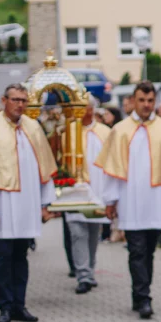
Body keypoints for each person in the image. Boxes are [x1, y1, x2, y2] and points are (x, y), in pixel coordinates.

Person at [98, 81, 161, 319]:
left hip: (155, 201)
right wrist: (110, 200)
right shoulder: (120, 130)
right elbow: (112, 169)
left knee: (148, 249)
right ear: (133, 101)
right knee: (137, 250)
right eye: (142, 100)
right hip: (130, 200)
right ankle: (143, 297)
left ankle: (139, 293)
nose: (147, 105)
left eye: (150, 101)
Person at [0, 84, 60, 322]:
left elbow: (44, 169)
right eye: (15, 99)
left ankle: (20, 305)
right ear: (3, 100)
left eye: (24, 100)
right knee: (3, 255)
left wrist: (44, 204)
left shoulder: (33, 127)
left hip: (27, 204)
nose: (20, 104)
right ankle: (5, 306)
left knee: (21, 255)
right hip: (1, 203)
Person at [67, 98, 111, 295]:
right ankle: (82, 274)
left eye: (87, 108)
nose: (85, 112)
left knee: (94, 232)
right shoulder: (69, 132)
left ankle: (90, 270)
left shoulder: (105, 132)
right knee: (77, 232)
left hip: (98, 190)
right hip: (75, 191)